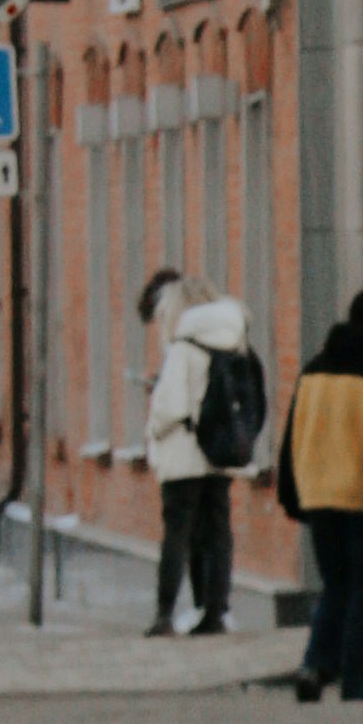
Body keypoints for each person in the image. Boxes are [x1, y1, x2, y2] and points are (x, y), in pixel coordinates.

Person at [274, 286, 363, 704]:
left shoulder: (313, 369)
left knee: (335, 584)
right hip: (362, 494)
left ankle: (316, 663)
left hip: (317, 492)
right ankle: (357, 684)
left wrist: (291, 493)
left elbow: (293, 432)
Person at [141, 268, 259, 638]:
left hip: (183, 454)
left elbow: (168, 407)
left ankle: (164, 614)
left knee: (178, 533)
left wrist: (155, 427)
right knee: (218, 532)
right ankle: (215, 611)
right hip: (221, 452)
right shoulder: (236, 340)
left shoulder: (185, 345)